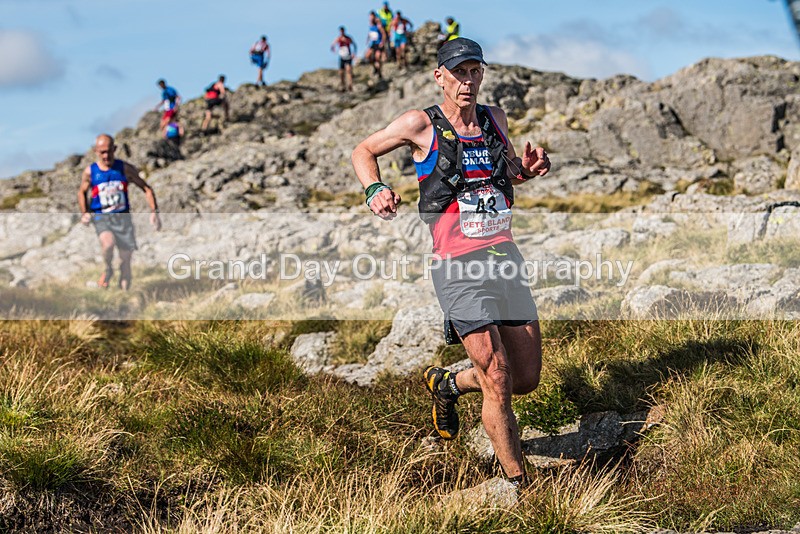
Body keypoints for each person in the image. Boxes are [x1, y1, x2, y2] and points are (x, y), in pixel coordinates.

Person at [351, 38, 551, 488]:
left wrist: (528, 168)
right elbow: (362, 151)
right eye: (458, 72)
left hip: (504, 260)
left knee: (525, 378)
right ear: (440, 76)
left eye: (474, 71)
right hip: (458, 266)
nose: (467, 80)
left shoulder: (493, 118)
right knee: (497, 375)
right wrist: (373, 190)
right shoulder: (420, 124)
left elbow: (503, 171)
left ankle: (449, 384)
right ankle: (521, 484)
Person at [78, 134, 161, 290]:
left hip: (123, 219)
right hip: (102, 218)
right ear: (96, 151)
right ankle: (108, 268)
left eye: (109, 151)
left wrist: (154, 212)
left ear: (115, 149)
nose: (106, 155)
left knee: (125, 262)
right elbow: (81, 192)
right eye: (102, 152)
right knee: (107, 244)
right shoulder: (90, 172)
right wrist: (85, 213)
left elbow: (146, 188)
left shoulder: (124, 168)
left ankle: (125, 297)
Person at [331, 26, 357, 92]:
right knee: (341, 72)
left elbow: (354, 45)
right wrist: (334, 49)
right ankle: (343, 85)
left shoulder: (348, 38)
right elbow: (332, 45)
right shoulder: (338, 38)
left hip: (348, 56)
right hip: (342, 56)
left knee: (349, 70)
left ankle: (350, 85)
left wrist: (354, 53)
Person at [365, 11, 388, 80]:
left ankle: (379, 71)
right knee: (367, 56)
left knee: (377, 57)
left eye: (372, 16)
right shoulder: (370, 24)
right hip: (373, 43)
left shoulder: (378, 24)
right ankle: (375, 67)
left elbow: (384, 34)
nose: (371, 18)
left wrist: (382, 42)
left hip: (378, 43)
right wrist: (367, 39)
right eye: (370, 17)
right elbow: (370, 33)